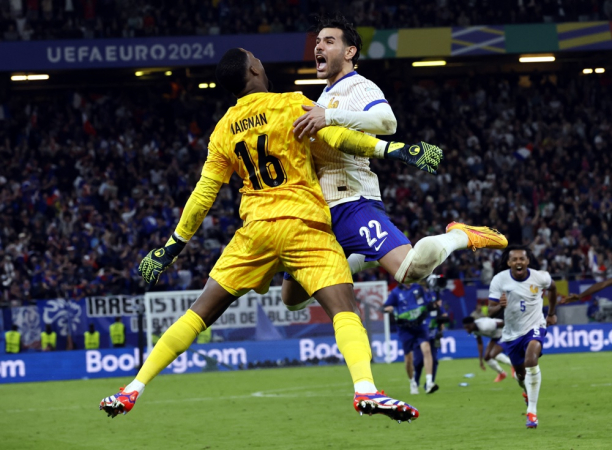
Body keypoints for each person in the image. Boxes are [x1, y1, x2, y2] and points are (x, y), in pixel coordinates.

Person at [100, 47, 428, 422]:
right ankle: (366, 390)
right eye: (257, 58)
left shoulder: (223, 129)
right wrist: (394, 150)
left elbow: (204, 193)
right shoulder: (289, 104)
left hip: (255, 230)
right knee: (344, 309)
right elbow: (336, 137)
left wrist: (172, 246)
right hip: (302, 223)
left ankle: (132, 389)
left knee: (199, 313)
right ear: (254, 69)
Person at [282, 15, 508, 312]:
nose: (318, 46)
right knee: (292, 298)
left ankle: (459, 235)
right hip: (321, 209)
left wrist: (331, 117)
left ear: (349, 52)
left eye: (329, 41)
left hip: (352, 201)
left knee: (410, 271)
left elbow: (387, 122)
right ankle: (362, 256)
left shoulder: (358, 86)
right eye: (318, 41)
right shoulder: (324, 94)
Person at [487, 245, 557, 429]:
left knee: (531, 359)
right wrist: (500, 306)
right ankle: (527, 392)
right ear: (509, 262)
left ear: (527, 261)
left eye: (522, 259)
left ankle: (531, 413)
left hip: (535, 326)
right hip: (511, 334)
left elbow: (554, 289)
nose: (518, 262)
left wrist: (551, 313)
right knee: (520, 375)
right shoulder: (499, 280)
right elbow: (490, 311)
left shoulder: (540, 277)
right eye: (514, 259)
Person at [383, 282, 439, 394]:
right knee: (408, 359)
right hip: (405, 329)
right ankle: (412, 382)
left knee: (427, 349)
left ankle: (429, 383)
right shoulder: (395, 292)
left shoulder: (418, 288)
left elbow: (427, 302)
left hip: (420, 326)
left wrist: (433, 304)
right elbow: (385, 307)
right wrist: (388, 309)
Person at [462, 316, 513, 382]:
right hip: (495, 337)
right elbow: (480, 343)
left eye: (468, 327)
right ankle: (502, 373)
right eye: (465, 328)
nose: (467, 330)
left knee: (492, 355)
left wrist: (512, 333)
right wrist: (480, 360)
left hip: (504, 334)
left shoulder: (485, 325)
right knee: (486, 358)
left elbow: (502, 323)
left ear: (472, 324)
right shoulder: (474, 330)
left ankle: (513, 365)